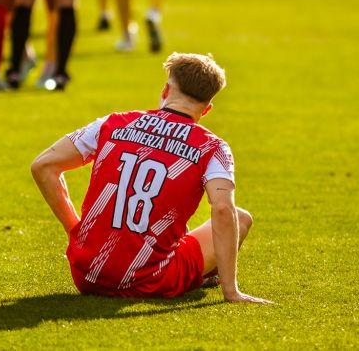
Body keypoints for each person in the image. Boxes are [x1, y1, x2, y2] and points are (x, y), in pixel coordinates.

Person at [31, 52, 272, 303]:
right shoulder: (212, 147)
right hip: (151, 281)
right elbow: (223, 209)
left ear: (165, 90)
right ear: (207, 109)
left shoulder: (113, 123)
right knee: (240, 218)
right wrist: (231, 291)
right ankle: (208, 278)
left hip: (87, 273)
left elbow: (43, 166)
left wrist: (75, 231)